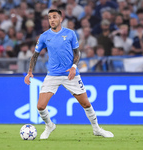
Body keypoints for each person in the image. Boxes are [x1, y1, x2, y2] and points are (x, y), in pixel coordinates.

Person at [24, 9, 114, 139]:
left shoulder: (70, 34)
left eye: (54, 17)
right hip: (53, 75)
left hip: (70, 74)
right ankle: (49, 125)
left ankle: (97, 129)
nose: (52, 20)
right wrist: (30, 72)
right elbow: (35, 55)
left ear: (61, 19)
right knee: (40, 106)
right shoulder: (44, 36)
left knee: (86, 104)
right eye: (49, 18)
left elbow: (77, 53)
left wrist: (73, 67)